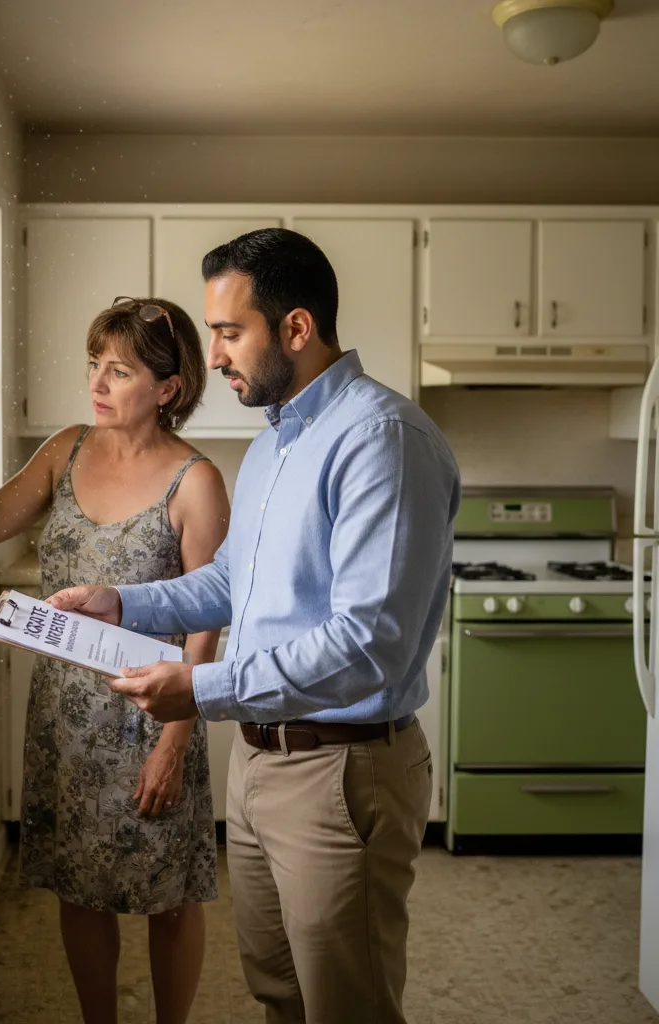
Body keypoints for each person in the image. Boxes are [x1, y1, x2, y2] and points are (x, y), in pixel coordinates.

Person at [48, 228, 462, 1024]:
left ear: (297, 329)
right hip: (263, 761)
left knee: (347, 1007)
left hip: (342, 772)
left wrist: (201, 688)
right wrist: (124, 603)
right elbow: (238, 581)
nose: (216, 353)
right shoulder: (276, 441)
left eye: (231, 332)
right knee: (281, 996)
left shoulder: (383, 441)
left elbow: (367, 643)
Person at [0, 296, 230, 1024]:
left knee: (168, 895)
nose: (98, 383)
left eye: (120, 370)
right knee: (80, 889)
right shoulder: (66, 448)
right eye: (94, 366)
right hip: (65, 719)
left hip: (154, 712)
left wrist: (175, 741)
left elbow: (210, 617)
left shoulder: (196, 482)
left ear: (168, 389)